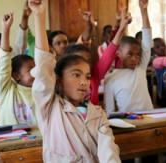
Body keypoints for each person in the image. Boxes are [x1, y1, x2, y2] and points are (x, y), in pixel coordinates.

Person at [29, 0, 120, 162]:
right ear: (58, 80)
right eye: (76, 75)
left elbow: (109, 149)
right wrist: (39, 16)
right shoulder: (50, 108)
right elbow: (43, 67)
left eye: (87, 76)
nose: (84, 82)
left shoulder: (97, 113)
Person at [104, 0, 153, 114]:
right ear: (118, 54)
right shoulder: (110, 78)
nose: (135, 59)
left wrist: (144, 11)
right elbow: (109, 111)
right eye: (130, 54)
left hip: (150, 118)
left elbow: (147, 40)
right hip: (129, 122)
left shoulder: (140, 67)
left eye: (137, 55)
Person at [0, 12, 36, 126]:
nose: (35, 72)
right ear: (16, 75)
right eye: (30, 70)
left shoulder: (40, 89)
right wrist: (5, 29)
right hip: (9, 140)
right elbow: (3, 65)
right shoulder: (7, 89)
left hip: (35, 139)